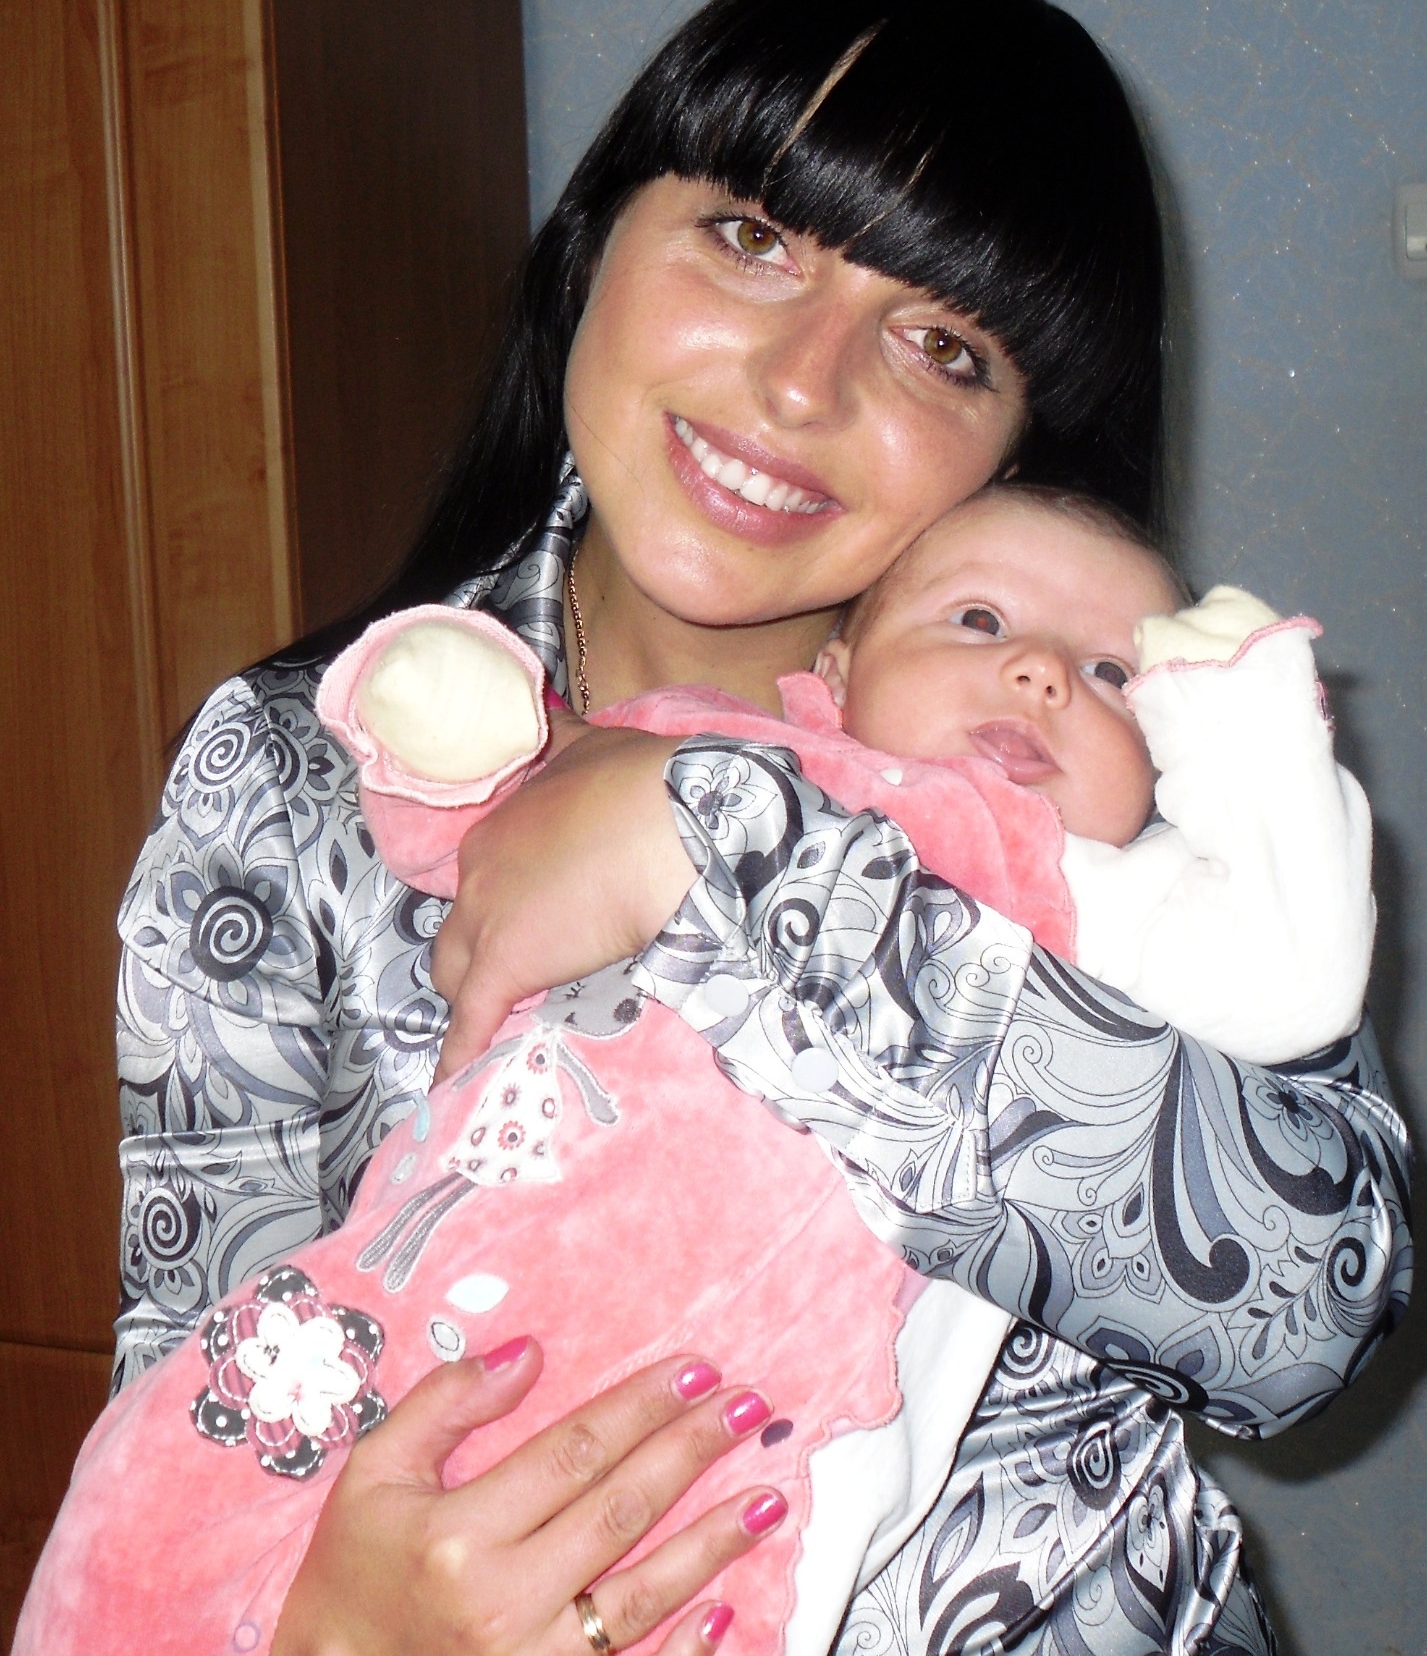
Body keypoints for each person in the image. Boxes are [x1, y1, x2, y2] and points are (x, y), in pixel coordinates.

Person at [101, 0, 1409, 1655]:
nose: (803, 384)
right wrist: (322, 1632)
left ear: (1020, 453)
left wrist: (712, 850)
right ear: (595, 243)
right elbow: (193, 1391)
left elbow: (1310, 1303)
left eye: (942, 346)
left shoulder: (1102, 766)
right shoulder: (293, 779)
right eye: (750, 238)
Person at [17, 486, 1378, 1656]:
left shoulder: (1125, 900)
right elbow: (190, 1323)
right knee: (147, 1508)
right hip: (395, 1353)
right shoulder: (316, 766)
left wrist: (722, 848)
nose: (1041, 677)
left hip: (759, 1490)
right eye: (978, 620)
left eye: (1116, 676)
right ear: (838, 673)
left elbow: (1309, 1269)